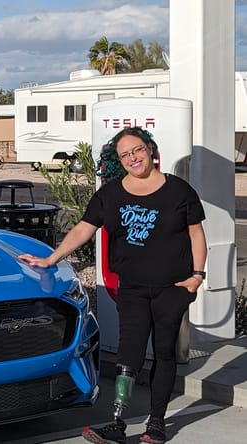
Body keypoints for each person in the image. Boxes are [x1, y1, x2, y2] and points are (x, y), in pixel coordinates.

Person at [19, 127, 207, 444]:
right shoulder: (110, 194)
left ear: (150, 149)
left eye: (137, 150)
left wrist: (197, 276)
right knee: (128, 354)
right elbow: (83, 228)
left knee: (164, 351)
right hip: (133, 287)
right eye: (125, 155)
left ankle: (157, 424)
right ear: (119, 161)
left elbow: (196, 234)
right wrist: (52, 259)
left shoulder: (179, 191)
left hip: (173, 288)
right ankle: (117, 423)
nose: (133, 158)